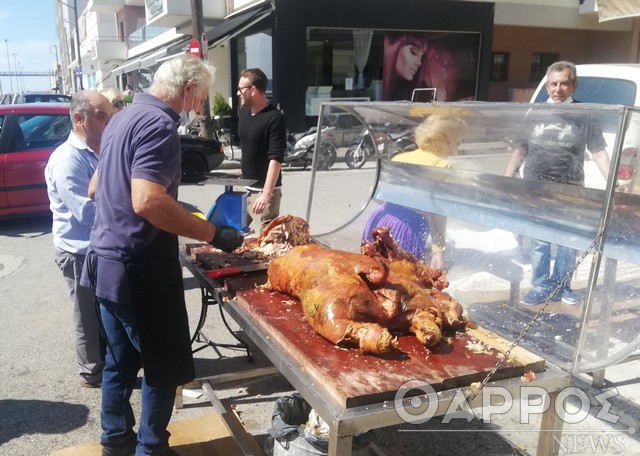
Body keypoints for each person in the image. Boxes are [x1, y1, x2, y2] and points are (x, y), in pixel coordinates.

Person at [81, 53, 243, 456]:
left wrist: (177, 206)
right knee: (163, 366)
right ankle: (151, 448)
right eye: (201, 98)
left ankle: (115, 442)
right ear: (188, 89)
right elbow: (147, 201)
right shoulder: (158, 124)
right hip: (139, 270)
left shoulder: (121, 118)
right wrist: (213, 232)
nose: (199, 107)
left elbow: (99, 187)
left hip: (104, 262)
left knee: (120, 363)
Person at [505, 60, 611, 306]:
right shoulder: (534, 112)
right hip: (535, 187)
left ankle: (563, 286)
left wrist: (613, 183)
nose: (558, 89)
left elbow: (599, 152)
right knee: (540, 239)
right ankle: (541, 286)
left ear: (574, 85)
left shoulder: (586, 114)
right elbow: (520, 149)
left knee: (567, 239)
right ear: (547, 86)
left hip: (571, 187)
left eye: (564, 83)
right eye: (553, 84)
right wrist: (506, 179)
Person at [44, 90, 112, 388]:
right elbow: (88, 213)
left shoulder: (98, 149)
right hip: (77, 251)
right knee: (85, 314)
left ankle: (105, 361)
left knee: (101, 309)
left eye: (110, 115)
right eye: (101, 116)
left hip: (98, 247)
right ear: (79, 119)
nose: (109, 121)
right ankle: (91, 373)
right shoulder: (67, 160)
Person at [363, 114, 468, 269]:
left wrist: (396, 208)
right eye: (458, 139)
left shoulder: (400, 157)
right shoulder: (442, 166)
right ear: (447, 139)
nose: (459, 144)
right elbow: (438, 213)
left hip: (379, 221)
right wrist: (438, 251)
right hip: (408, 229)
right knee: (403, 282)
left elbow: (375, 193)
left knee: (373, 274)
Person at [236, 68, 287, 234]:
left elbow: (276, 158)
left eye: (241, 89)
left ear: (253, 89)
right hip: (247, 189)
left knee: (269, 240)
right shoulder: (243, 113)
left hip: (265, 194)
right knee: (234, 234)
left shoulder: (274, 117)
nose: (238, 93)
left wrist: (266, 195)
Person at [382, 33, 427, 101]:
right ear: (395, 47)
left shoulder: (404, 90)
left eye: (421, 57)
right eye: (413, 52)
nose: (419, 63)